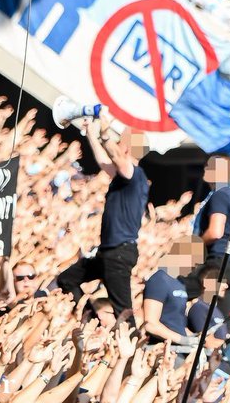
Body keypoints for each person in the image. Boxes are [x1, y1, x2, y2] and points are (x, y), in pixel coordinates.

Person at [57, 113, 150, 316]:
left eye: (121, 141)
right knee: (67, 279)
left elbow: (115, 156)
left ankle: (131, 343)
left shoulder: (133, 173)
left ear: (128, 148)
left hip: (118, 253)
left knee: (123, 311)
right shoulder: (125, 176)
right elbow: (103, 161)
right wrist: (91, 132)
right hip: (109, 251)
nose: (117, 143)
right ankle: (91, 319)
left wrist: (106, 132)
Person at [193, 155, 230, 321]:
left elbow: (216, 231)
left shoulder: (220, 194)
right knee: (221, 320)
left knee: (209, 320)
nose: (205, 169)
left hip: (217, 264)